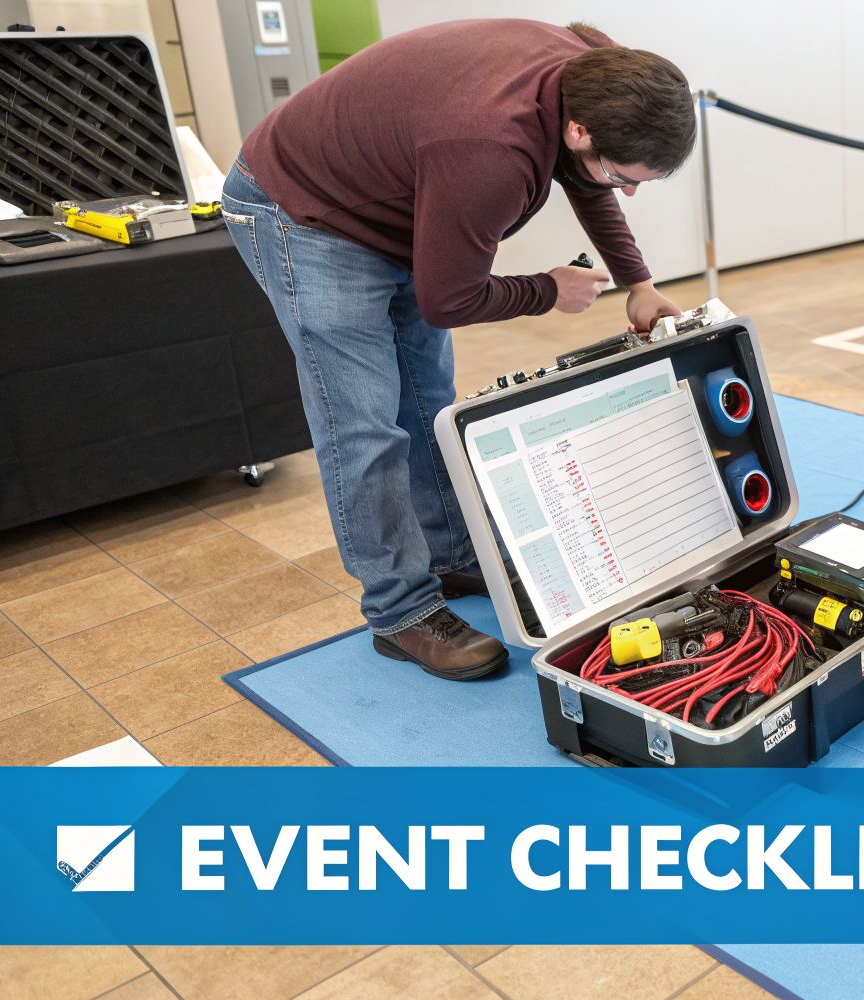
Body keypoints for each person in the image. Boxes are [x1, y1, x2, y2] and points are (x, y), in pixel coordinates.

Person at [220, 21, 695, 681]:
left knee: (428, 404)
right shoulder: (491, 147)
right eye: (625, 175)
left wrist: (638, 283)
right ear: (581, 131)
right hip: (301, 209)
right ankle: (400, 609)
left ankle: (448, 555)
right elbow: (449, 299)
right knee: (362, 426)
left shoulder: (595, 68)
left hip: (391, 197)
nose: (629, 192)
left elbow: (592, 182)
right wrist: (546, 290)